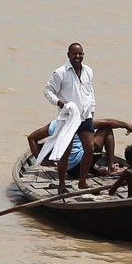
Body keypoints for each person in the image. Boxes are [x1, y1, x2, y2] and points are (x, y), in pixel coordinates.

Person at [43, 42, 97, 193]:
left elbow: (90, 92)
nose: (77, 56)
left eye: (80, 54)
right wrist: (59, 102)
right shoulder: (60, 72)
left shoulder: (88, 71)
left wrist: (92, 109)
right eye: (74, 54)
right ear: (68, 55)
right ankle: (61, 185)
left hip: (85, 117)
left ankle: (82, 181)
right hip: (68, 118)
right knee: (65, 152)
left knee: (90, 148)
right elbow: (48, 91)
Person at [27, 118, 132, 180]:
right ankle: (111, 167)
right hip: (81, 164)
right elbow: (108, 123)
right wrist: (126, 125)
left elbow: (31, 138)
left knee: (86, 151)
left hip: (71, 171)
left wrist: (41, 160)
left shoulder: (55, 124)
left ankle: (99, 169)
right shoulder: (80, 121)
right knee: (106, 129)